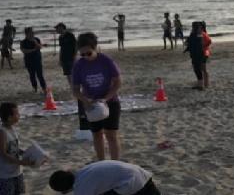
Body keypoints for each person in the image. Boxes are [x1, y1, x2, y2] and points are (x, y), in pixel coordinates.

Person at [72, 32, 123, 160]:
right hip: (91, 104)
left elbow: (118, 82)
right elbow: (76, 89)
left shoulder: (106, 61)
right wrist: (85, 100)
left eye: (88, 53)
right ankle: (101, 162)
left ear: (95, 48)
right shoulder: (79, 65)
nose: (85, 57)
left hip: (110, 101)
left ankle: (115, 163)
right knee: (97, 135)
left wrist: (106, 98)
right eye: (82, 54)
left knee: (111, 135)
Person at [55, 23, 90, 139]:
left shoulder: (70, 35)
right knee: (68, 77)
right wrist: (60, 59)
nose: (57, 30)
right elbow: (61, 48)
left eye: (58, 28)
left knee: (74, 76)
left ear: (63, 28)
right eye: (57, 29)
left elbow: (75, 46)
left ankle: (77, 92)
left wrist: (75, 56)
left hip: (71, 58)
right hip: (64, 59)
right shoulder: (60, 37)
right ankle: (74, 92)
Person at [0, 102, 34, 195]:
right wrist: (21, 162)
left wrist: (26, 153)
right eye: (17, 113)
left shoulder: (12, 129)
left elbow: (14, 148)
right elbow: (3, 154)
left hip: (16, 172)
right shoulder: (1, 132)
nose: (19, 115)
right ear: (9, 117)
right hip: (3, 174)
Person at [49, 160, 160, 195]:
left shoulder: (81, 188)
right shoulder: (83, 171)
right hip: (143, 175)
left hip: (133, 185)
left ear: (66, 190)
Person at [20, 27, 47, 93]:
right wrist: (34, 50)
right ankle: (34, 88)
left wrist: (35, 42)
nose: (32, 34)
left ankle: (44, 88)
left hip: (37, 60)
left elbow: (40, 47)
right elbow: (24, 51)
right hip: (29, 60)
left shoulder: (36, 39)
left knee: (40, 75)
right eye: (31, 32)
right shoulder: (23, 42)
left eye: (32, 32)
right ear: (26, 33)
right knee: (32, 75)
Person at [183, 22, 206, 90]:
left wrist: (187, 45)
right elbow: (191, 43)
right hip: (199, 54)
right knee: (197, 69)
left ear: (194, 27)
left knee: (197, 69)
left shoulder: (194, 34)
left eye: (192, 27)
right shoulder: (199, 34)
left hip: (196, 54)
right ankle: (200, 84)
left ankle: (200, 85)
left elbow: (187, 43)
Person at [201, 21, 212, 88]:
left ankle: (206, 83)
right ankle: (205, 82)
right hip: (206, 52)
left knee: (203, 69)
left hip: (204, 52)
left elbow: (209, 41)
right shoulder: (204, 33)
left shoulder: (203, 33)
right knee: (203, 68)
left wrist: (203, 46)